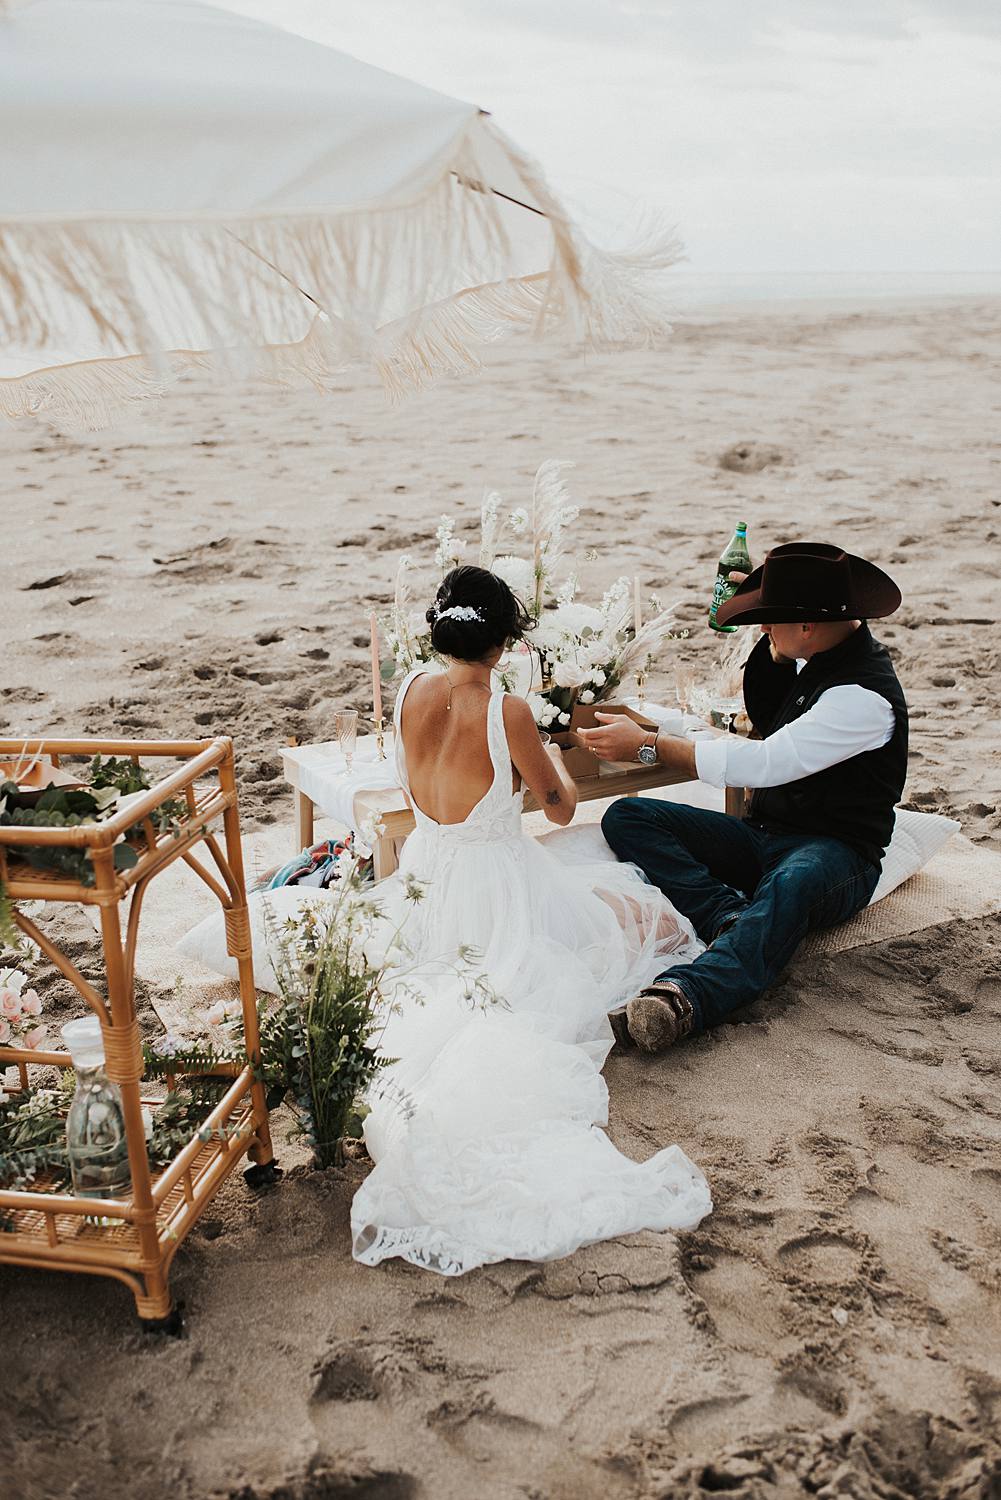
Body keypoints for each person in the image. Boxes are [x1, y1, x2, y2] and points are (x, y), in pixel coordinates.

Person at [350, 564, 711, 1275]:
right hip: (496, 885)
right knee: (644, 926)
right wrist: (547, 756)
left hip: (426, 871)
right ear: (503, 642)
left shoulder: (407, 693)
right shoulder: (507, 710)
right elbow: (559, 807)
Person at [579, 542, 907, 1053]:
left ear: (807, 627)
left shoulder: (860, 697)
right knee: (630, 816)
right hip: (764, 835)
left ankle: (687, 996)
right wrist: (778, 650)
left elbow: (764, 762)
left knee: (791, 884)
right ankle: (727, 917)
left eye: (770, 620)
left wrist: (648, 747)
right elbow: (768, 712)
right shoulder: (816, 658)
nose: (761, 629)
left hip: (838, 854)